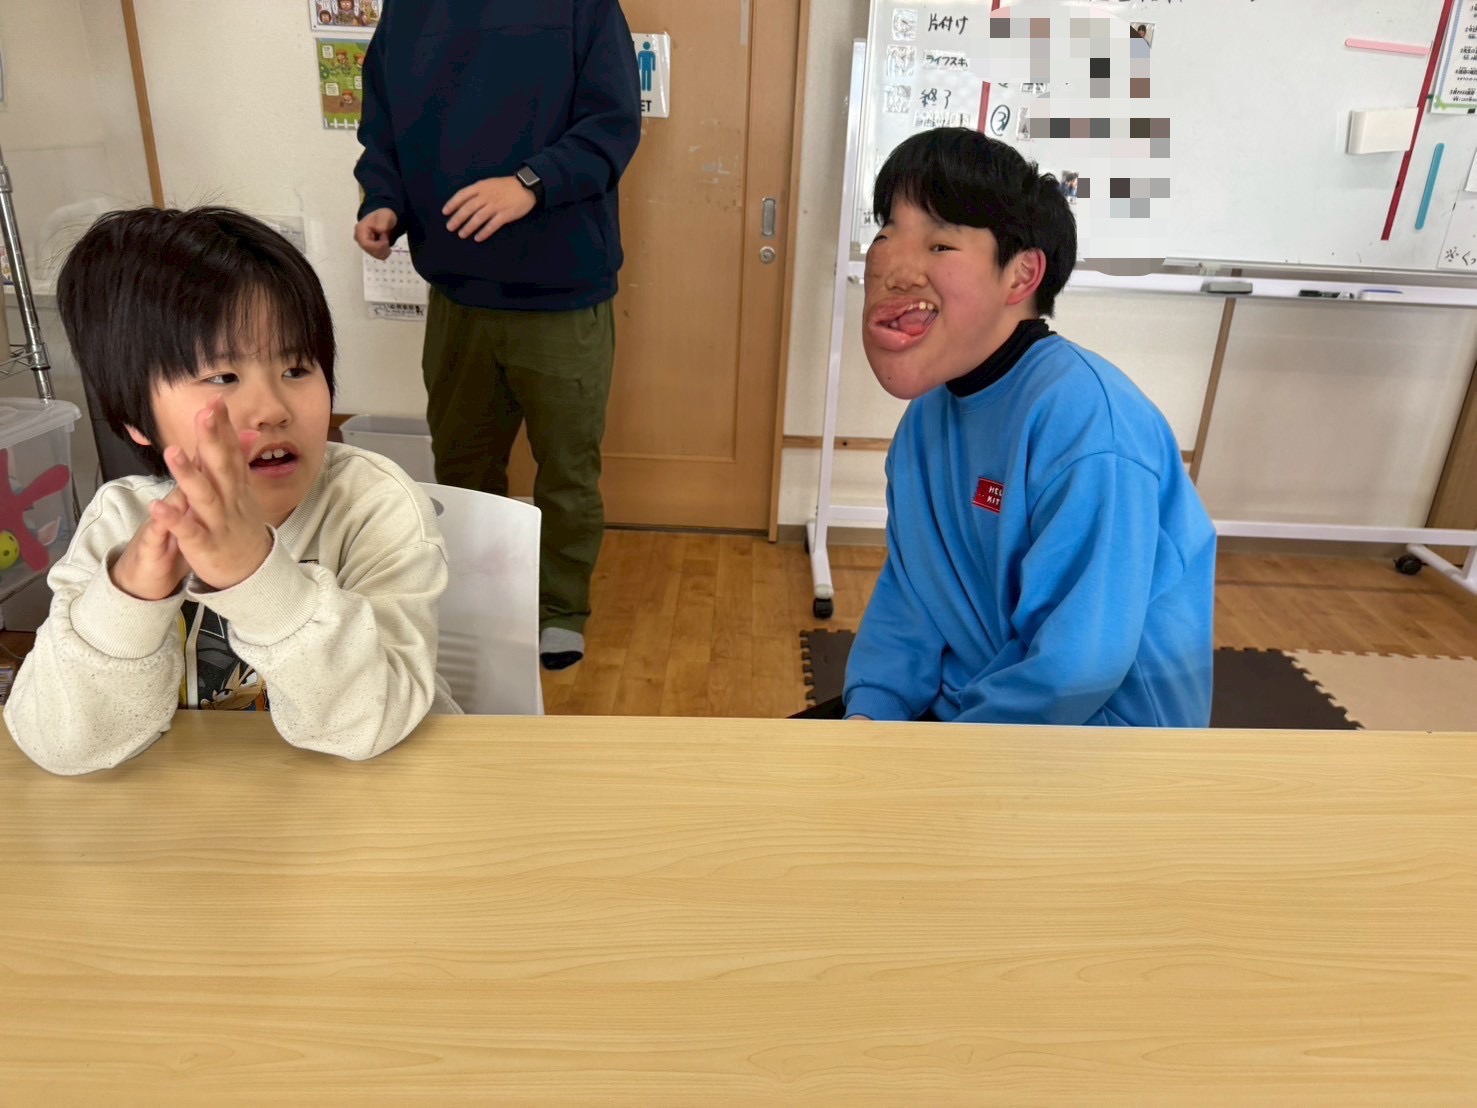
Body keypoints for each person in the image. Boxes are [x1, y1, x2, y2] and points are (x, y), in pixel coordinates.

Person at [5, 207, 459, 775]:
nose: (272, 409)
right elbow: (60, 746)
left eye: (297, 368)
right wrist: (127, 600)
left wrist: (255, 575)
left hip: (373, 797)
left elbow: (377, 721)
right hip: (199, 807)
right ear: (135, 419)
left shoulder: (372, 505)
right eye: (223, 377)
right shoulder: (121, 523)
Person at [841, 128, 1215, 727]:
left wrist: (932, 760)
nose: (896, 270)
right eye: (886, 234)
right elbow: (910, 604)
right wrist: (870, 717)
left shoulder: (1087, 425)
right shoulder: (925, 421)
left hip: (1102, 741)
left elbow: (1075, 668)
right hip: (972, 716)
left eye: (940, 245)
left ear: (1020, 276)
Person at [353, 1, 641, 671]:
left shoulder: (584, 7)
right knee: (463, 469)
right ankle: (478, 604)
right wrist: (382, 199)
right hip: (457, 297)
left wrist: (530, 184)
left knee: (567, 472)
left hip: (564, 294)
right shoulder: (409, 11)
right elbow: (383, 127)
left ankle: (561, 609)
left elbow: (612, 125)